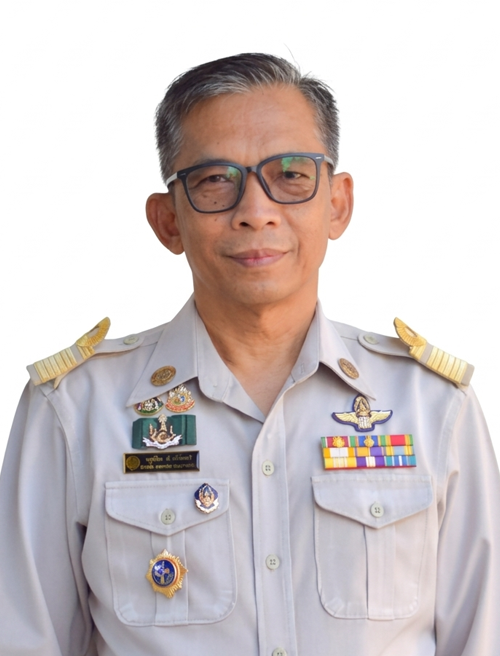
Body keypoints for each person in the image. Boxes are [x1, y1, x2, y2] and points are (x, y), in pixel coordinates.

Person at [0, 53, 498, 656]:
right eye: (215, 179)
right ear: (167, 220)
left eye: (290, 174)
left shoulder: (433, 407)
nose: (255, 212)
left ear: (337, 203)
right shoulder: (75, 410)